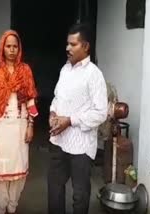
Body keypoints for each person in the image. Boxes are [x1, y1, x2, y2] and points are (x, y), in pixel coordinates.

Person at [48, 23, 108, 214]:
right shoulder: (65, 70)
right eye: (67, 44)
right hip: (59, 140)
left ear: (86, 47)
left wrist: (70, 120)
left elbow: (101, 112)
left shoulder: (94, 75)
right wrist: (52, 114)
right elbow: (57, 98)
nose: (68, 48)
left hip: (81, 145)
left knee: (80, 194)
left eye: (73, 44)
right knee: (54, 190)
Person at [0, 30, 38, 214]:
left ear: (19, 48)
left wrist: (30, 125)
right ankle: (0, 208)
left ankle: (12, 207)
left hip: (20, 126)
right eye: (8, 46)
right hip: (0, 127)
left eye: (15, 46)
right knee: (0, 170)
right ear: (2, 48)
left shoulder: (25, 70)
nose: (12, 50)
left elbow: (31, 100)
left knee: (18, 169)